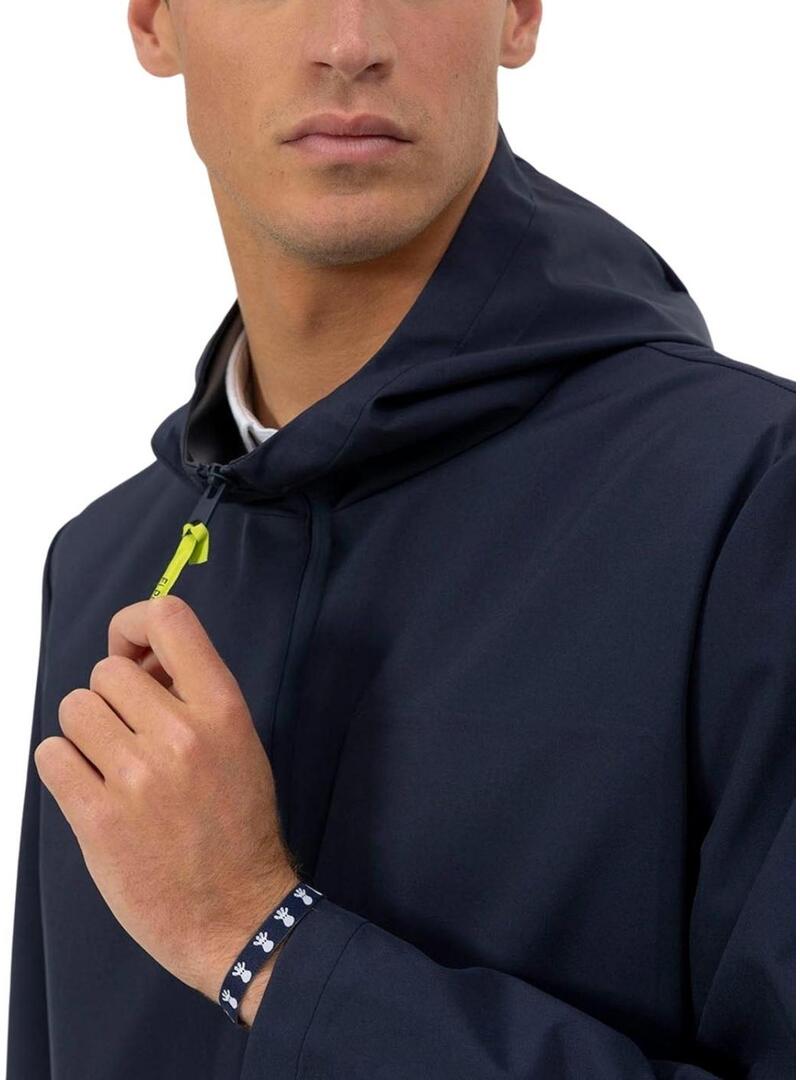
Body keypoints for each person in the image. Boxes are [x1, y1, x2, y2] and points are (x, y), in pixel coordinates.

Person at [6, 0, 795, 1077]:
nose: (348, 42)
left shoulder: (753, 500)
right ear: (153, 23)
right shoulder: (101, 562)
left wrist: (259, 941)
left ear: (518, 14)